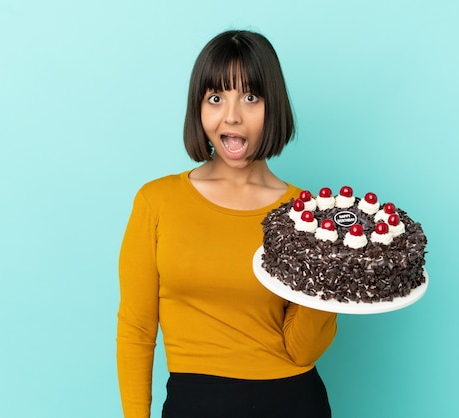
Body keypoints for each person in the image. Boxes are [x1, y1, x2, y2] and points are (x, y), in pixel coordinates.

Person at [117, 30, 338, 418]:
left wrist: (332, 273)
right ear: (198, 108)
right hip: (194, 402)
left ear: (274, 106)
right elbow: (136, 330)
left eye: (250, 97)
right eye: (215, 98)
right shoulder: (157, 201)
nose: (232, 115)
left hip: (293, 401)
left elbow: (302, 349)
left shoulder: (306, 214)